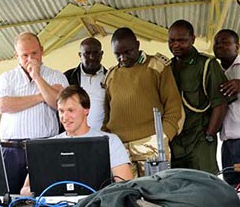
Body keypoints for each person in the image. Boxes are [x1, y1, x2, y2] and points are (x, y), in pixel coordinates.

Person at [20, 85, 133, 195]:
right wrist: (39, 193)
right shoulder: (45, 147)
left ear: (86, 110)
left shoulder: (111, 141)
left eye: (71, 110)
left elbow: (125, 186)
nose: (65, 117)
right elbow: (25, 190)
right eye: (61, 111)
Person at [102, 27, 184, 177]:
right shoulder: (111, 75)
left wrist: (163, 136)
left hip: (152, 144)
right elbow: (107, 114)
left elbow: (173, 105)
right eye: (117, 54)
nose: (123, 58)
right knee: (126, 195)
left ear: (138, 45)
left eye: (127, 52)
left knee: (155, 194)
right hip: (119, 147)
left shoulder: (157, 66)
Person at [0, 32, 68, 194]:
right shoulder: (7, 77)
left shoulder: (57, 76)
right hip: (10, 149)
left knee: (43, 196)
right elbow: (3, 105)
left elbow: (60, 104)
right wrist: (42, 96)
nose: (30, 59)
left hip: (44, 147)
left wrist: (37, 77)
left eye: (34, 53)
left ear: (42, 50)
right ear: (16, 55)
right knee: (8, 197)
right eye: (24, 55)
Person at [168, 20, 236, 175]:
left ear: (192, 39)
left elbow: (221, 104)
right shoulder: (167, 68)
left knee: (204, 188)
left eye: (182, 40)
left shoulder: (207, 64)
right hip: (176, 143)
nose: (176, 45)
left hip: (200, 141)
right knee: (176, 189)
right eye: (172, 41)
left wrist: (209, 135)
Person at [213, 29, 240, 185]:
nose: (220, 45)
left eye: (225, 42)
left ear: (237, 47)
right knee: (231, 189)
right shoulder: (213, 70)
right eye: (217, 42)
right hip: (227, 144)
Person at [64, 37, 107, 130]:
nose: (92, 57)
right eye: (87, 53)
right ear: (80, 55)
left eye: (96, 53)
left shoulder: (110, 77)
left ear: (101, 54)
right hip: (76, 137)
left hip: (103, 136)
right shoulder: (68, 77)